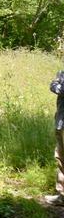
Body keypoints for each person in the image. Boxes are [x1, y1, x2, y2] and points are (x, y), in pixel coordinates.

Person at [45, 70, 64, 206]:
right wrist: (57, 85)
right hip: (61, 122)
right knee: (61, 158)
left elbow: (59, 88)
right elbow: (54, 85)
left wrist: (58, 85)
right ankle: (62, 195)